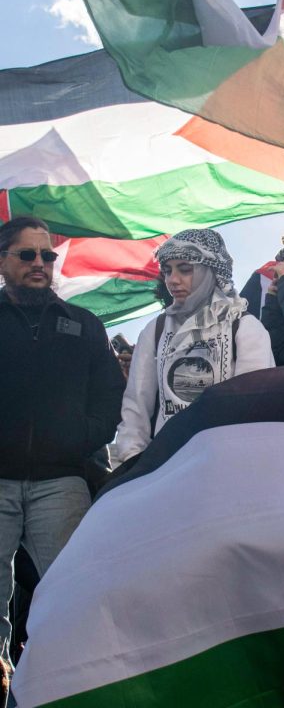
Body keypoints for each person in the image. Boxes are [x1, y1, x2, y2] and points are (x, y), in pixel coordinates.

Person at [0, 216, 125, 672]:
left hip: (62, 482)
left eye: (47, 255)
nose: (40, 263)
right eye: (28, 254)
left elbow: (110, 393)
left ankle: (70, 685)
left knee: (73, 597)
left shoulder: (85, 324)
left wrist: (79, 440)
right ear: (3, 261)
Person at [109, 228, 274, 469]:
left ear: (210, 270)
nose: (172, 280)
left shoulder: (244, 327)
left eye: (185, 269)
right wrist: (136, 466)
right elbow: (135, 408)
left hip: (228, 468)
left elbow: (254, 409)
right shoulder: (155, 330)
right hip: (165, 470)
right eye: (167, 270)